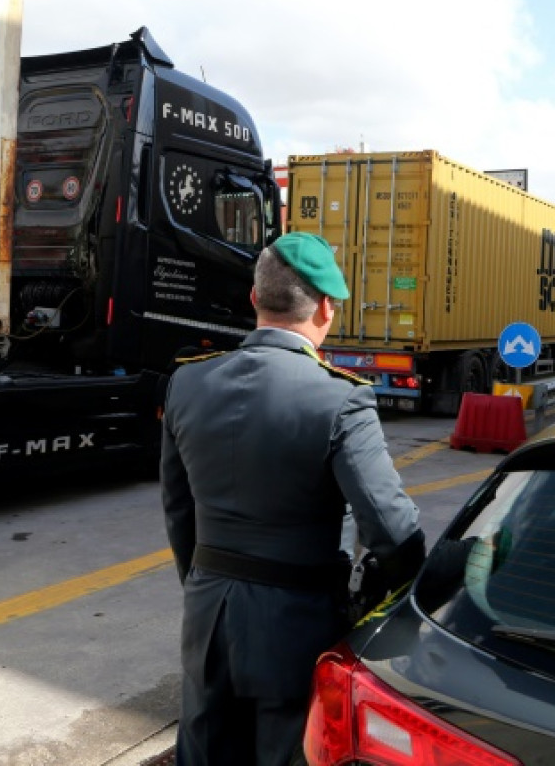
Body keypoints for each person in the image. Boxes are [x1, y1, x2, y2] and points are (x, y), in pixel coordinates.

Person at [160, 231, 425, 766]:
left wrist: (206, 587)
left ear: (254, 299)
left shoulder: (187, 384)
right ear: (326, 308)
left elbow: (178, 510)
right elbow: (391, 530)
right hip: (294, 630)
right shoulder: (341, 397)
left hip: (207, 620)